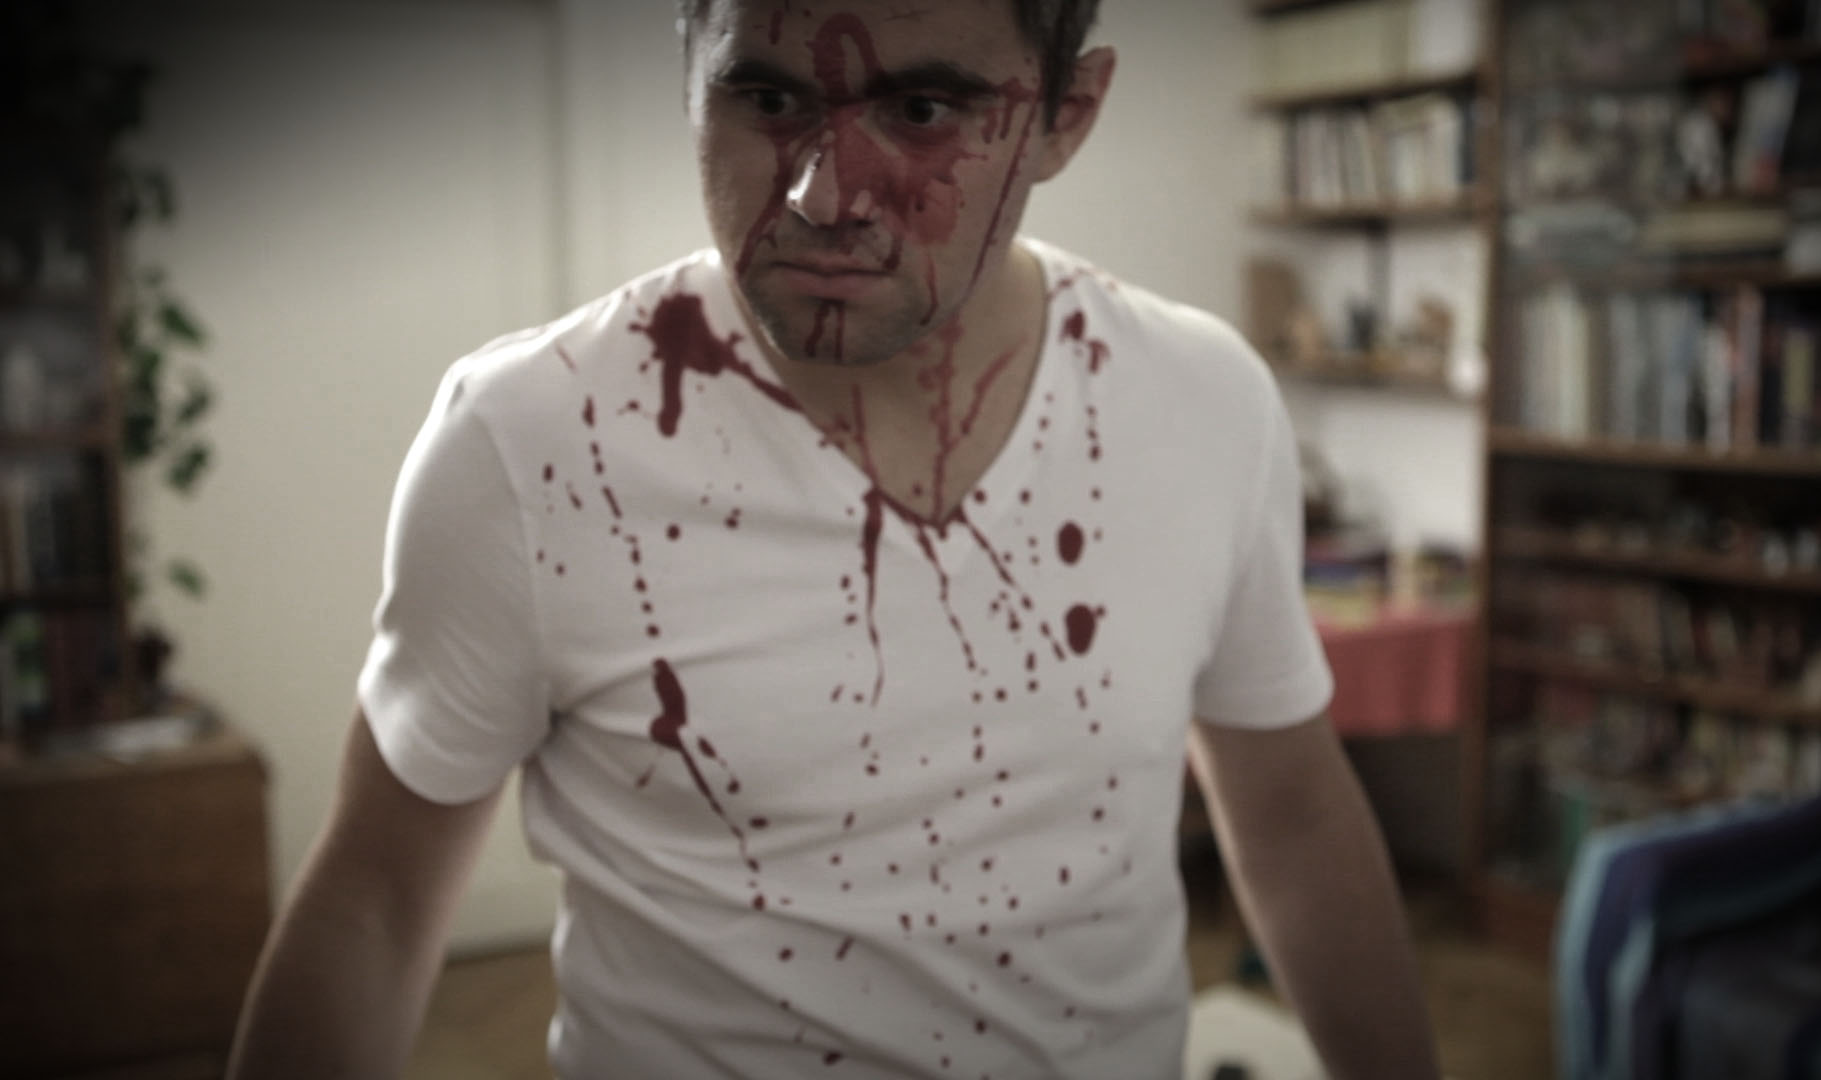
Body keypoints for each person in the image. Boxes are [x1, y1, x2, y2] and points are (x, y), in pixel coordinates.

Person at [227, 2, 1443, 1077]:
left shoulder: (1201, 402)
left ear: (1067, 115)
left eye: (921, 111)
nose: (821, 194)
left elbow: (1291, 815)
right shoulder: (533, 440)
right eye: (767, 98)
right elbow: (378, 902)